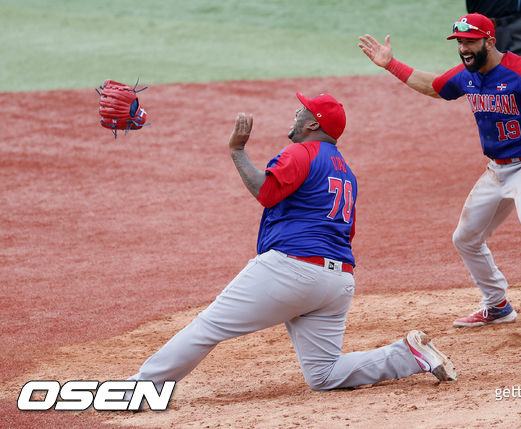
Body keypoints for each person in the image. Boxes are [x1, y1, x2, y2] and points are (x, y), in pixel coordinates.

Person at [126, 92, 456, 409]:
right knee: (324, 375)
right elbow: (346, 232)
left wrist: (238, 150)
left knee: (207, 328)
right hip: (337, 282)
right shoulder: (346, 172)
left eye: (302, 111)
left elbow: (267, 192)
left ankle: (139, 390)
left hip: (291, 270)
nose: (296, 114)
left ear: (314, 124)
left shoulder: (301, 152)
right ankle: (407, 355)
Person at [358, 13, 521, 330]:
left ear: (489, 41)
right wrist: (390, 64)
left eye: (470, 41)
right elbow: (433, 86)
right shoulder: (468, 75)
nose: (464, 48)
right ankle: (497, 305)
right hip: (497, 170)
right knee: (465, 238)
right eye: (460, 42)